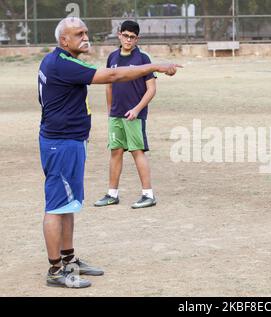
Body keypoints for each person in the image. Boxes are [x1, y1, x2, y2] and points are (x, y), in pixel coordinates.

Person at [38, 17, 181, 288]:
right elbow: (113, 76)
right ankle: (55, 271)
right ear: (63, 41)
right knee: (56, 206)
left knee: (68, 204)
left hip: (66, 141)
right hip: (61, 144)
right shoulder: (63, 64)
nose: (85, 37)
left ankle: (69, 259)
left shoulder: (56, 60)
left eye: (86, 32)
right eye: (78, 34)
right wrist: (156, 66)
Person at [94, 21, 158, 209]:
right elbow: (109, 85)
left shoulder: (143, 59)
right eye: (125, 35)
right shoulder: (112, 57)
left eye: (132, 37)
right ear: (119, 34)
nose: (128, 39)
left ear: (137, 39)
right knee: (115, 152)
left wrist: (137, 109)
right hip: (116, 115)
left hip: (134, 116)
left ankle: (148, 195)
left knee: (137, 152)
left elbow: (152, 89)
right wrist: (110, 110)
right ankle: (112, 194)